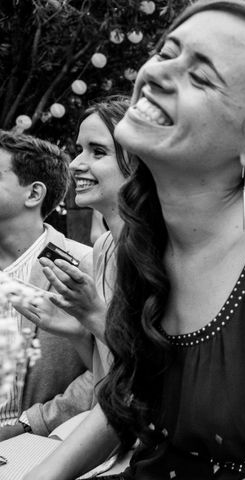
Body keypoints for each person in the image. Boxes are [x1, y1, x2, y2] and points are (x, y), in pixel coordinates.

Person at [25, 1, 245, 479]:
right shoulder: (139, 230)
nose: (158, 75)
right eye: (167, 52)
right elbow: (127, 393)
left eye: (202, 77)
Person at [18, 97, 135, 396]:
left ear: (138, 161)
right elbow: (107, 381)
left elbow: (155, 378)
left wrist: (94, 316)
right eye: (79, 149)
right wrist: (79, 332)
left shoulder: (167, 251)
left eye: (97, 151)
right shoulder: (105, 249)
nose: (75, 164)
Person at [0, 130, 93, 439]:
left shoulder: (86, 267)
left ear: (33, 194)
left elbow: (109, 373)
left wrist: (29, 425)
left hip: (37, 453)